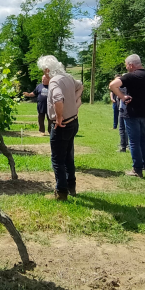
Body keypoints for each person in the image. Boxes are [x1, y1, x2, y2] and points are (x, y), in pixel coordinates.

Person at [109, 55, 145, 178]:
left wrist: (122, 97)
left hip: (132, 113)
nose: (126, 67)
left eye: (126, 64)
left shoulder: (130, 76)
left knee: (134, 142)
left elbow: (112, 85)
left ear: (131, 65)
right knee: (144, 140)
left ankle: (137, 169)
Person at [39, 55, 83, 201]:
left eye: (44, 72)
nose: (44, 74)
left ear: (47, 70)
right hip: (73, 122)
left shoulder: (54, 82)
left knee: (58, 159)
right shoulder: (68, 77)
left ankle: (61, 191)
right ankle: (72, 186)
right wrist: (75, 104)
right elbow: (80, 86)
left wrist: (58, 118)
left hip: (61, 125)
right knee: (68, 157)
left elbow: (58, 99)